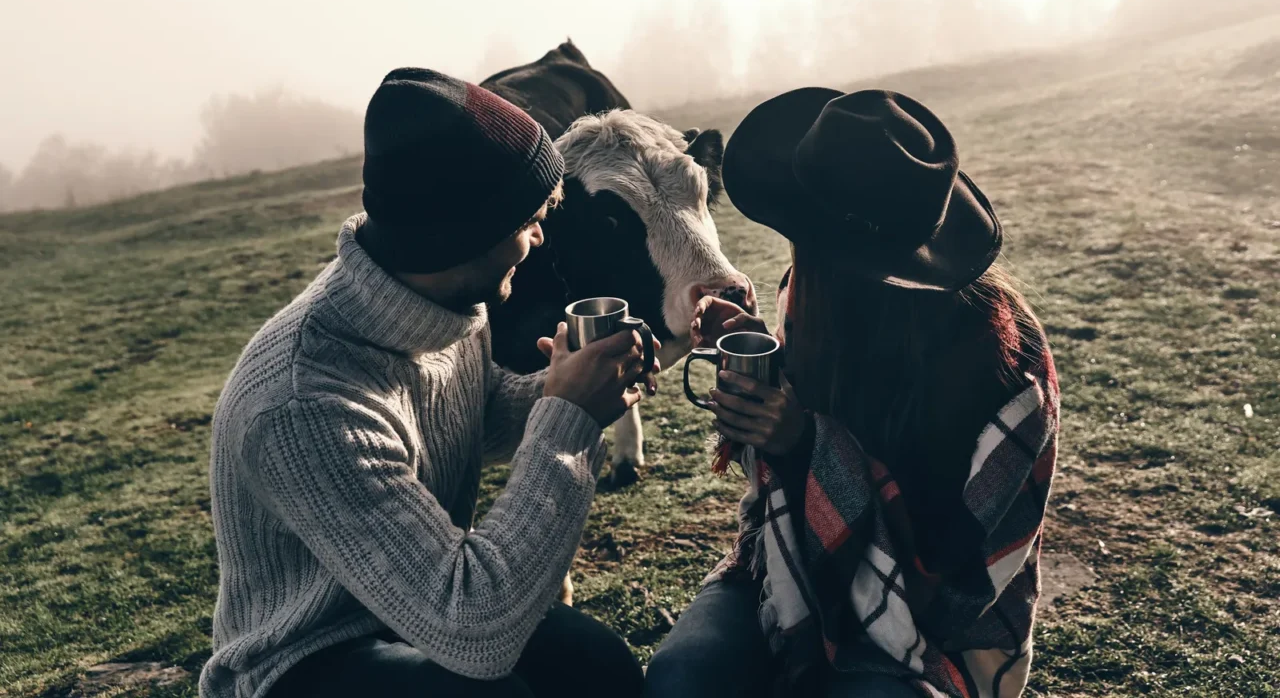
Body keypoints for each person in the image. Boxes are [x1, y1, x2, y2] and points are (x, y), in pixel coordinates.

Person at [199, 68, 655, 698]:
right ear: (466, 235)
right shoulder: (303, 404)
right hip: (307, 659)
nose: (539, 236)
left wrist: (569, 382)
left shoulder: (440, 303)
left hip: (410, 614)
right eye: (528, 220)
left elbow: (472, 413)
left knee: (595, 663)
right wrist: (568, 415)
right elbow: (473, 627)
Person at [644, 89, 1060, 698]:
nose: (796, 259)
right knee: (684, 676)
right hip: (786, 564)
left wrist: (807, 442)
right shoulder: (810, 296)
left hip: (936, 630)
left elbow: (950, 587)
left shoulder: (1003, 370)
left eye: (808, 239)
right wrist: (762, 361)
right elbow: (781, 493)